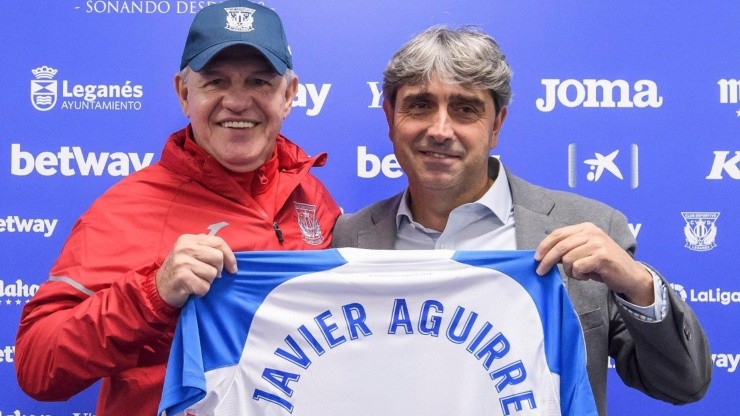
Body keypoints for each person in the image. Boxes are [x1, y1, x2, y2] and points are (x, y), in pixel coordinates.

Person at [332, 26, 712, 415]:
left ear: (496, 125)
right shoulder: (348, 238)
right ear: (390, 117)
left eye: (465, 109)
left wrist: (637, 284)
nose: (440, 130)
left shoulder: (590, 225)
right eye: (420, 105)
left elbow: (683, 382)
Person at [15, 1, 340, 414]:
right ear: (184, 94)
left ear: (289, 94)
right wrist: (152, 293)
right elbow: (36, 365)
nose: (237, 102)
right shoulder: (123, 210)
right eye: (215, 82)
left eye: (259, 82)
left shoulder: (314, 198)